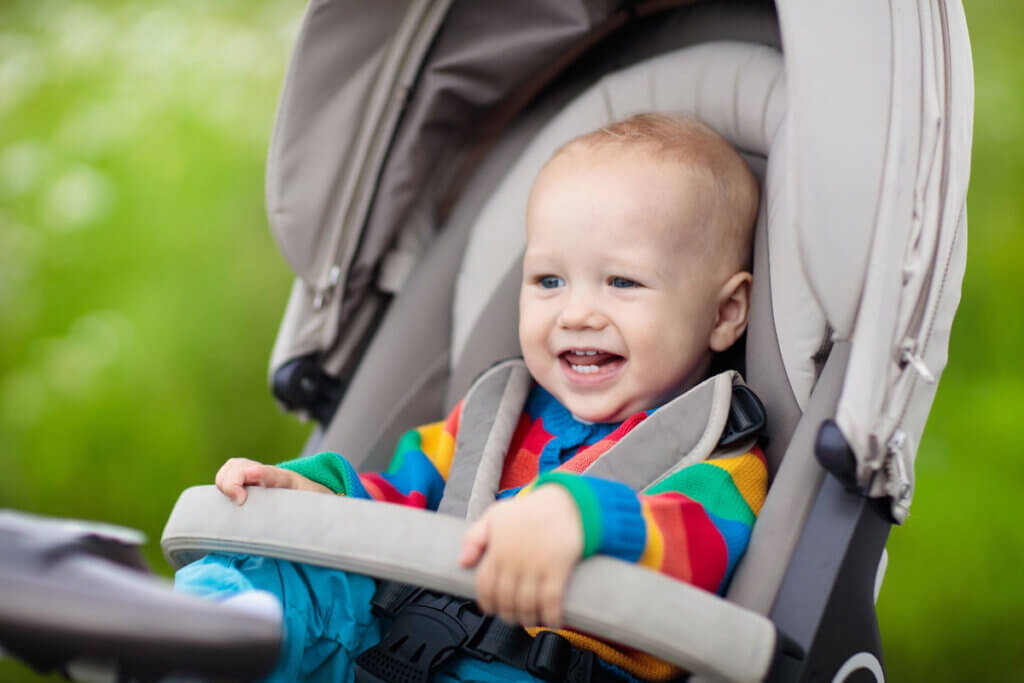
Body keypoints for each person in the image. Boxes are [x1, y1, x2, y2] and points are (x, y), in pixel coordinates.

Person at [175, 113, 767, 683]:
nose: (577, 313)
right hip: (388, 645)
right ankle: (198, 644)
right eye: (549, 281)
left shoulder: (716, 461)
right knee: (279, 577)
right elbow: (395, 504)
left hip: (536, 668)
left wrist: (581, 517)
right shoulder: (491, 417)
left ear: (724, 312)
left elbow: (695, 555)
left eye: (622, 282)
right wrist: (319, 495)